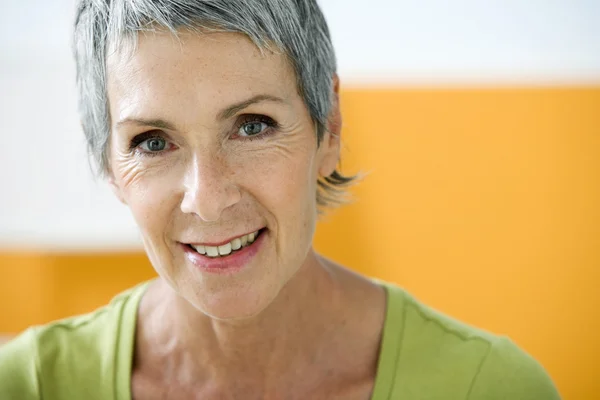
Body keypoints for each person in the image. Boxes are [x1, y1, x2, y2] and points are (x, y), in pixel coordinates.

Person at [0, 1, 561, 399]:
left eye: (252, 126)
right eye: (153, 141)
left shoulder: (491, 387)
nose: (209, 199)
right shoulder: (26, 386)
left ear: (330, 127)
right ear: (110, 166)